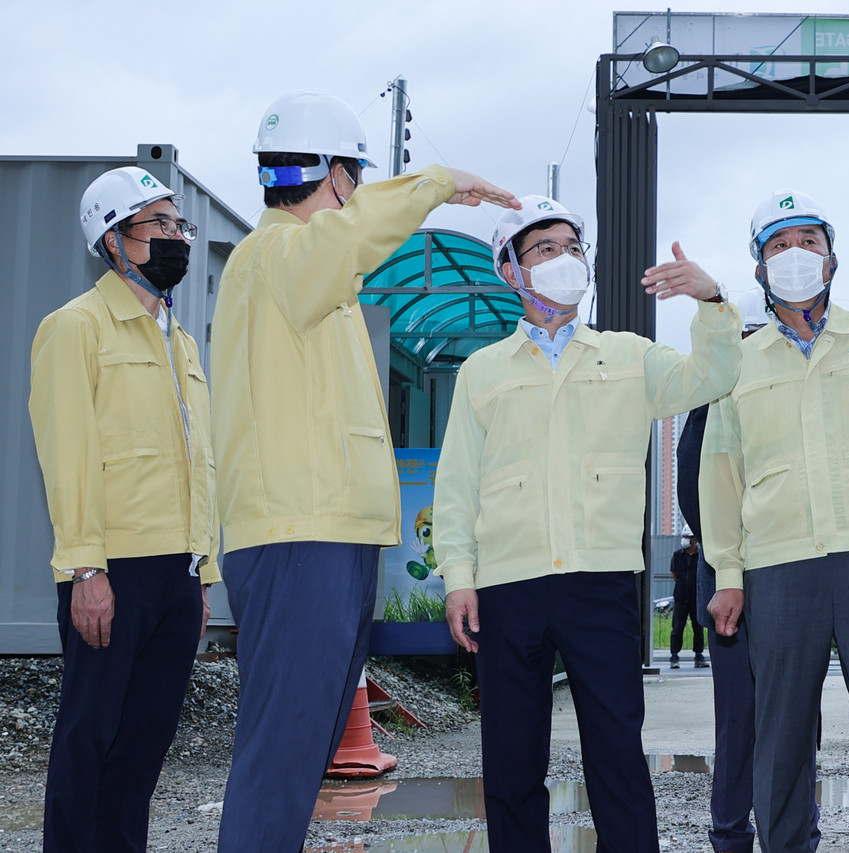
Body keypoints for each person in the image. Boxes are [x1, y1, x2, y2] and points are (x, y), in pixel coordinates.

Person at [211, 90, 517, 853]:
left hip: (330, 534)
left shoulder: (315, 276)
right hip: (297, 536)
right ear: (339, 178)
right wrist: (436, 182)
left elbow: (343, 244)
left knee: (300, 747)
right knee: (281, 750)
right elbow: (344, 242)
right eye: (353, 178)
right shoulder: (280, 253)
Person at [433, 195, 741, 853]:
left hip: (601, 586)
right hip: (508, 586)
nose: (564, 259)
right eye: (544, 248)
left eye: (573, 247)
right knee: (512, 762)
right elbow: (457, 484)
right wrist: (460, 577)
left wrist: (712, 302)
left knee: (616, 753)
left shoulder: (628, 355)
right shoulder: (482, 372)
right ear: (511, 270)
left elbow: (714, 373)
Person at [701, 190, 849, 853]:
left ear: (831, 260)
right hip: (777, 567)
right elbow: (719, 474)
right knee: (779, 737)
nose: (795, 256)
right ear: (759, 269)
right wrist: (728, 571)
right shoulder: (738, 363)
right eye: (778, 245)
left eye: (808, 241)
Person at [30, 166, 219, 852]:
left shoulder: (182, 342)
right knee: (89, 738)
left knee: (142, 749)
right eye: (158, 225)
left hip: (174, 574)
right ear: (114, 240)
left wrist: (201, 571)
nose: (175, 238)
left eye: (178, 225)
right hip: (111, 569)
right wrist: (85, 568)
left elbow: (200, 462)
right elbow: (67, 453)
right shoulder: (75, 328)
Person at [678, 289, 823, 853]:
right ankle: (732, 832)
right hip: (731, 580)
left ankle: (798, 827)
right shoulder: (714, 399)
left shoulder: (785, 395)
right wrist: (736, 551)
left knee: (798, 714)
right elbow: (696, 493)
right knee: (741, 717)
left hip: (796, 572)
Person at [669, 530, 707, 669]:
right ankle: (674, 655)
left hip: (696, 597)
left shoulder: (701, 556)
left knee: (698, 628)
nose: (685, 540)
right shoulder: (677, 555)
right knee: (677, 627)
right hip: (680, 597)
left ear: (695, 540)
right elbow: (674, 573)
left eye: (688, 537)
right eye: (684, 537)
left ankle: (699, 655)